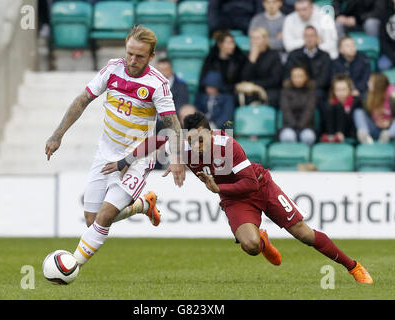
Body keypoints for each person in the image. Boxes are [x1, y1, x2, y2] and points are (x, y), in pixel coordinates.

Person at [102, 112, 374, 285]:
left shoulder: (228, 146)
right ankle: (262, 238)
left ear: (211, 132)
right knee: (252, 246)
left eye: (201, 140)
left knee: (303, 234)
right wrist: (124, 160)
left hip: (260, 187)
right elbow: (153, 142)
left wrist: (219, 190)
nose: (196, 146)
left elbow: (248, 183)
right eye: (192, 141)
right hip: (235, 200)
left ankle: (353, 267)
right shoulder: (183, 146)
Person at [45, 26, 186, 267]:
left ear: (151, 56)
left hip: (137, 159)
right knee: (92, 220)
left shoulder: (158, 84)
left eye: (139, 56)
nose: (132, 60)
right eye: (129, 53)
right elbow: (82, 100)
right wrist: (57, 135)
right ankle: (143, 204)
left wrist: (177, 158)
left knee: (106, 215)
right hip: (105, 152)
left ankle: (70, 266)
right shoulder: (112, 69)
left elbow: (171, 123)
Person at [284, 25, 332, 109]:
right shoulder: (294, 55)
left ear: (317, 37)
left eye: (312, 36)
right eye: (306, 36)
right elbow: (288, 76)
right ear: (303, 37)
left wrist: (307, 85)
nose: (309, 39)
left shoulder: (325, 56)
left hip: (316, 89)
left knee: (320, 95)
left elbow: (325, 79)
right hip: (296, 88)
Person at [238, 27, 283, 108]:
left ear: (265, 40)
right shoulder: (248, 55)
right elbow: (244, 78)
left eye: (257, 38)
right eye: (252, 38)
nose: (254, 41)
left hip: (269, 89)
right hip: (250, 89)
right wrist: (251, 61)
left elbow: (275, 79)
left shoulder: (274, 55)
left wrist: (255, 85)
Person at [198, 30, 248, 95]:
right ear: (220, 44)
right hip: (215, 94)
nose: (232, 46)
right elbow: (204, 82)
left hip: (233, 94)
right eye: (228, 43)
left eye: (233, 43)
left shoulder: (238, 60)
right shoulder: (211, 61)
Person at [279, 65, 317, 146]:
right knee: (288, 136)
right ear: (291, 77)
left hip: (306, 126)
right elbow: (286, 110)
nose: (297, 79)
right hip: (289, 126)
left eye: (300, 76)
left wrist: (300, 126)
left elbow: (309, 110)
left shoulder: (311, 92)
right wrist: (294, 126)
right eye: (295, 76)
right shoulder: (285, 91)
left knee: (308, 137)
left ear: (306, 77)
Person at [321, 74, 364, 143]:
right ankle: (332, 137)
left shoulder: (356, 102)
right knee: (335, 106)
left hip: (349, 134)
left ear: (349, 89)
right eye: (338, 90)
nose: (341, 93)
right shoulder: (329, 104)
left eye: (344, 89)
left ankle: (339, 135)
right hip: (332, 134)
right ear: (333, 91)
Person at [353, 73, 395, 144]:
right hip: (375, 128)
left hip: (389, 129)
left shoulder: (391, 93)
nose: (368, 83)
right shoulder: (368, 95)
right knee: (358, 112)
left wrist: (389, 122)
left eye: (370, 81)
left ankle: (388, 135)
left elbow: (391, 88)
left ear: (378, 84)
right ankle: (364, 135)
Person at [378, 0, 395, 71]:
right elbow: (383, 40)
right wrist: (393, 56)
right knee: (382, 65)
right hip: (391, 52)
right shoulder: (385, 15)